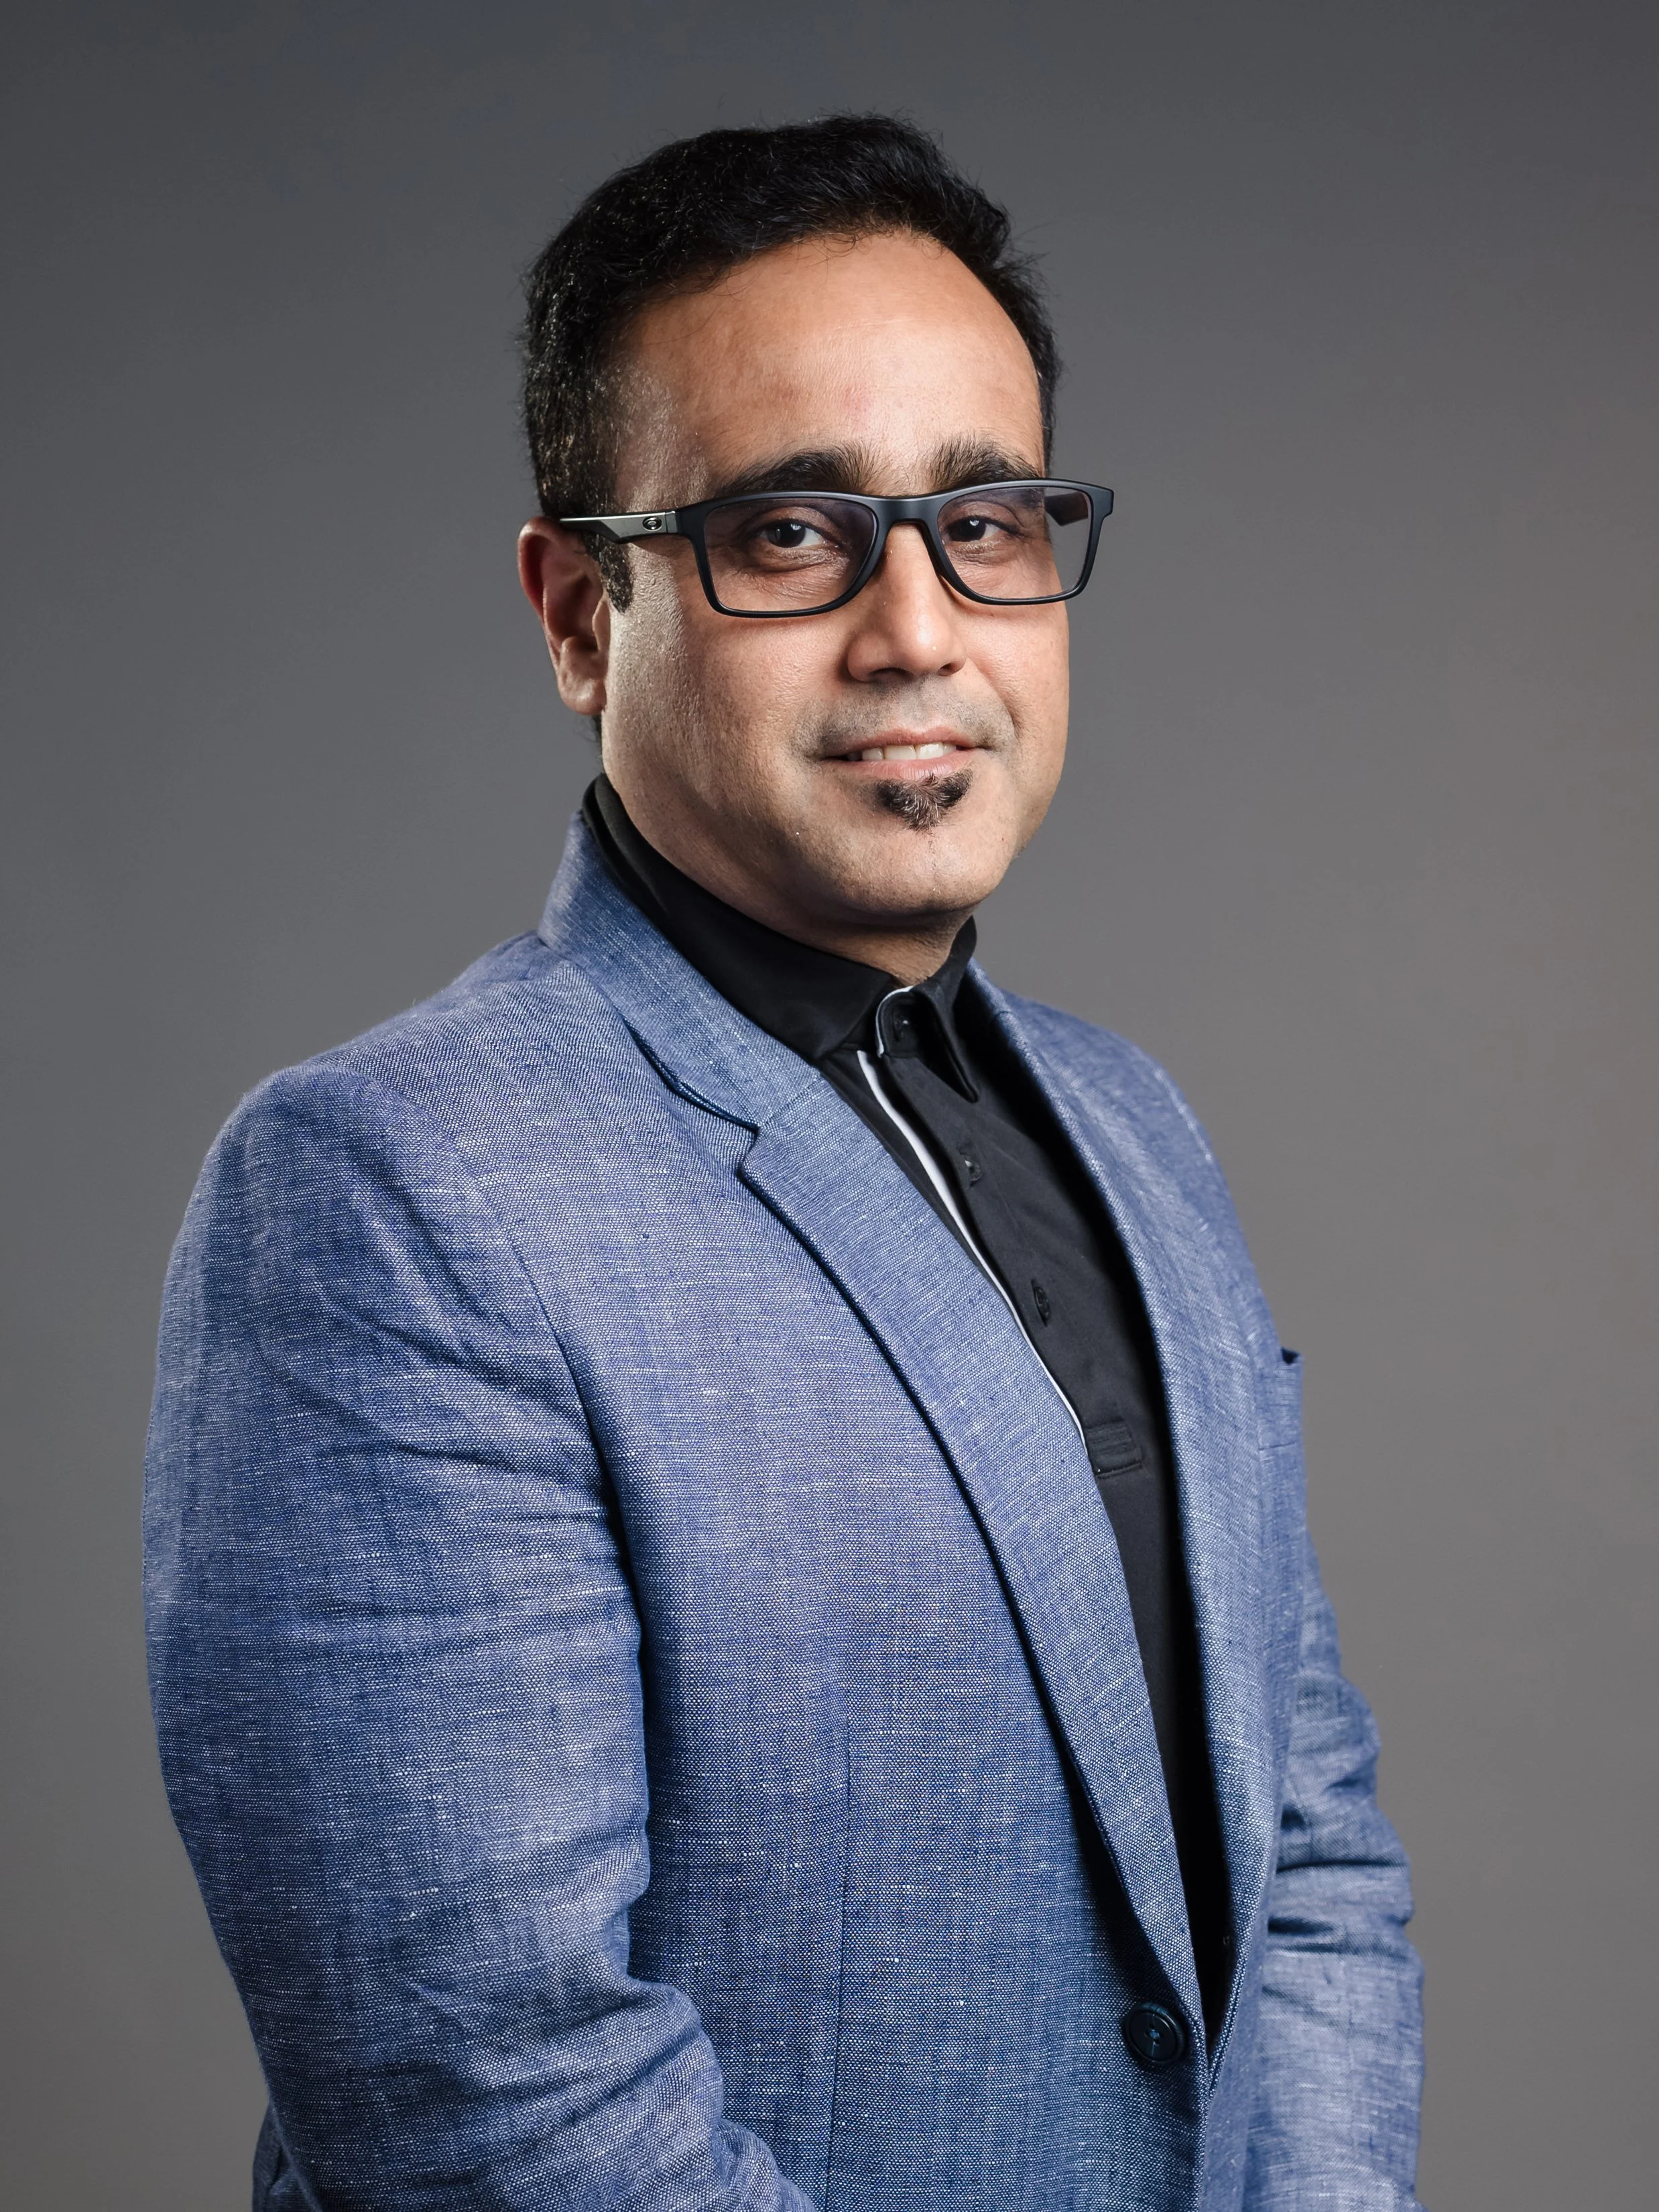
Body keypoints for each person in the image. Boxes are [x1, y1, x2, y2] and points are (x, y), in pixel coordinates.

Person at [144, 115, 1424, 2212]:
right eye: (791, 533)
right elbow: (490, 2096)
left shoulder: (1137, 1126)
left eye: (985, 519)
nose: (920, 628)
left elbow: (1310, 1843)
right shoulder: (390, 1184)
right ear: (582, 611)